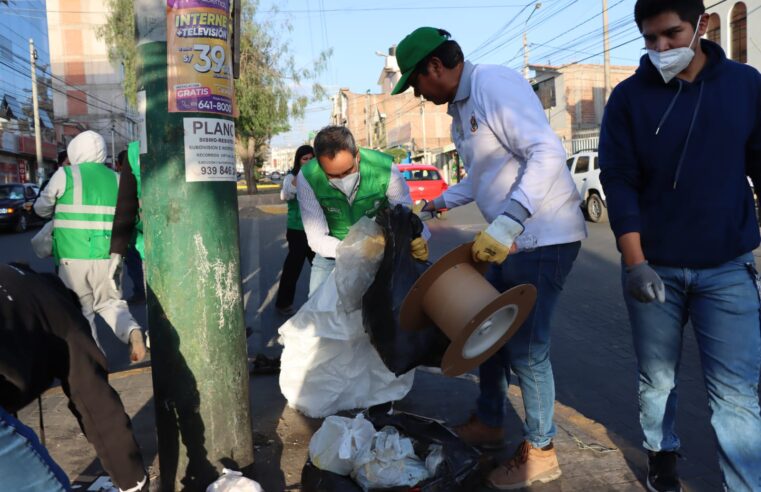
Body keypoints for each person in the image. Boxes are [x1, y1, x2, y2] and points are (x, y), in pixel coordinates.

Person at [392, 27, 586, 489]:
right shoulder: (462, 109)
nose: (418, 93)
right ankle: (490, 419)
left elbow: (545, 150)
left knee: (528, 348)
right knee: (487, 329)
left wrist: (510, 220)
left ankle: (541, 451)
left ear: (435, 68)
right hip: (510, 237)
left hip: (543, 235)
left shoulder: (493, 84)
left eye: (416, 83)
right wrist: (438, 203)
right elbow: (485, 177)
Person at [599, 1, 761, 490]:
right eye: (650, 39)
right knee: (658, 382)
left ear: (702, 26)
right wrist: (635, 264)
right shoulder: (628, 99)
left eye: (671, 34)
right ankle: (662, 457)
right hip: (656, 268)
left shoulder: (746, 86)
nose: (661, 49)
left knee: (737, 397)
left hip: (728, 268)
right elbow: (619, 181)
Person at [0, 263, 148, 492]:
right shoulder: (64, 318)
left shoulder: (17, 280)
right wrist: (134, 483)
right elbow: (98, 408)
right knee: (46, 485)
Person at [33, 131, 146, 362]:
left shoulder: (65, 175)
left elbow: (40, 209)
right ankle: (132, 332)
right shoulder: (116, 179)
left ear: (75, 150)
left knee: (82, 313)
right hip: (109, 256)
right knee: (111, 303)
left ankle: (97, 363)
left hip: (72, 259)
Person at [297, 125, 429, 295]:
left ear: (357, 155)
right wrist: (354, 251)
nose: (342, 180)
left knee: (396, 302)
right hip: (333, 254)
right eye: (333, 175)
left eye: (347, 171)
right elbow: (316, 238)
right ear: (320, 166)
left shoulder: (384, 169)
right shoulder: (308, 177)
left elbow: (403, 214)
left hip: (381, 250)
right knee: (318, 308)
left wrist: (414, 238)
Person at [275, 145, 317, 316]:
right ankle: (283, 304)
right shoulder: (291, 178)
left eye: (311, 158)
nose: (308, 161)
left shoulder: (320, 177)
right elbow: (286, 195)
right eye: (304, 158)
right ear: (298, 160)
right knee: (293, 268)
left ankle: (326, 304)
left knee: (323, 267)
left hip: (316, 230)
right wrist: (300, 177)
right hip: (297, 230)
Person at [110, 144, 146, 304]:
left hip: (138, 239)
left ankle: (141, 292)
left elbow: (125, 208)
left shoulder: (134, 152)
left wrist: (117, 250)